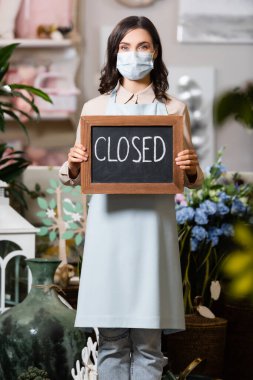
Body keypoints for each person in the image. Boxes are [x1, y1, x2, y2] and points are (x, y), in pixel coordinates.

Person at [59, 15, 204, 380]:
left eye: (142, 46)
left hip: (152, 236)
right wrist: (73, 165)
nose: (133, 54)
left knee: (149, 345)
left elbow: (192, 179)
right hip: (109, 235)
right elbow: (74, 174)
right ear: (114, 53)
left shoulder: (174, 110)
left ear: (155, 52)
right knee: (110, 342)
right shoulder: (94, 111)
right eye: (124, 47)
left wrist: (190, 166)